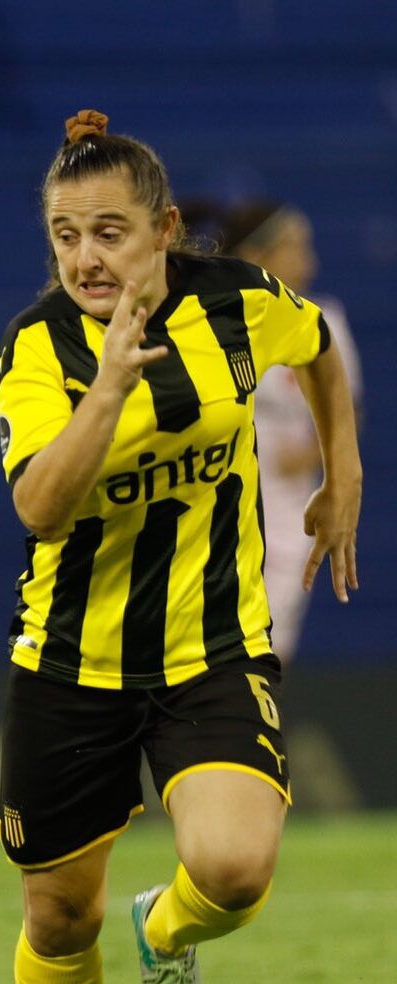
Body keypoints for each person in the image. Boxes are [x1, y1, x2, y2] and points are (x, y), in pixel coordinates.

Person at [0, 111, 359, 984]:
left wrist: (342, 471)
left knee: (235, 871)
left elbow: (321, 351)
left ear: (161, 232)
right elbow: (39, 507)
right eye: (64, 235)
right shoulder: (38, 349)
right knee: (58, 916)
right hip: (69, 664)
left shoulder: (239, 305)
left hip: (211, 649)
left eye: (108, 231)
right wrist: (106, 388)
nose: (84, 257)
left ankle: (167, 925)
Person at [215, 200, 363, 661]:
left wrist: (319, 463)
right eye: (296, 248)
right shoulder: (216, 322)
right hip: (218, 509)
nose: (310, 262)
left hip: (288, 522)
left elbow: (348, 413)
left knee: (267, 653)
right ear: (259, 257)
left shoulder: (322, 324)